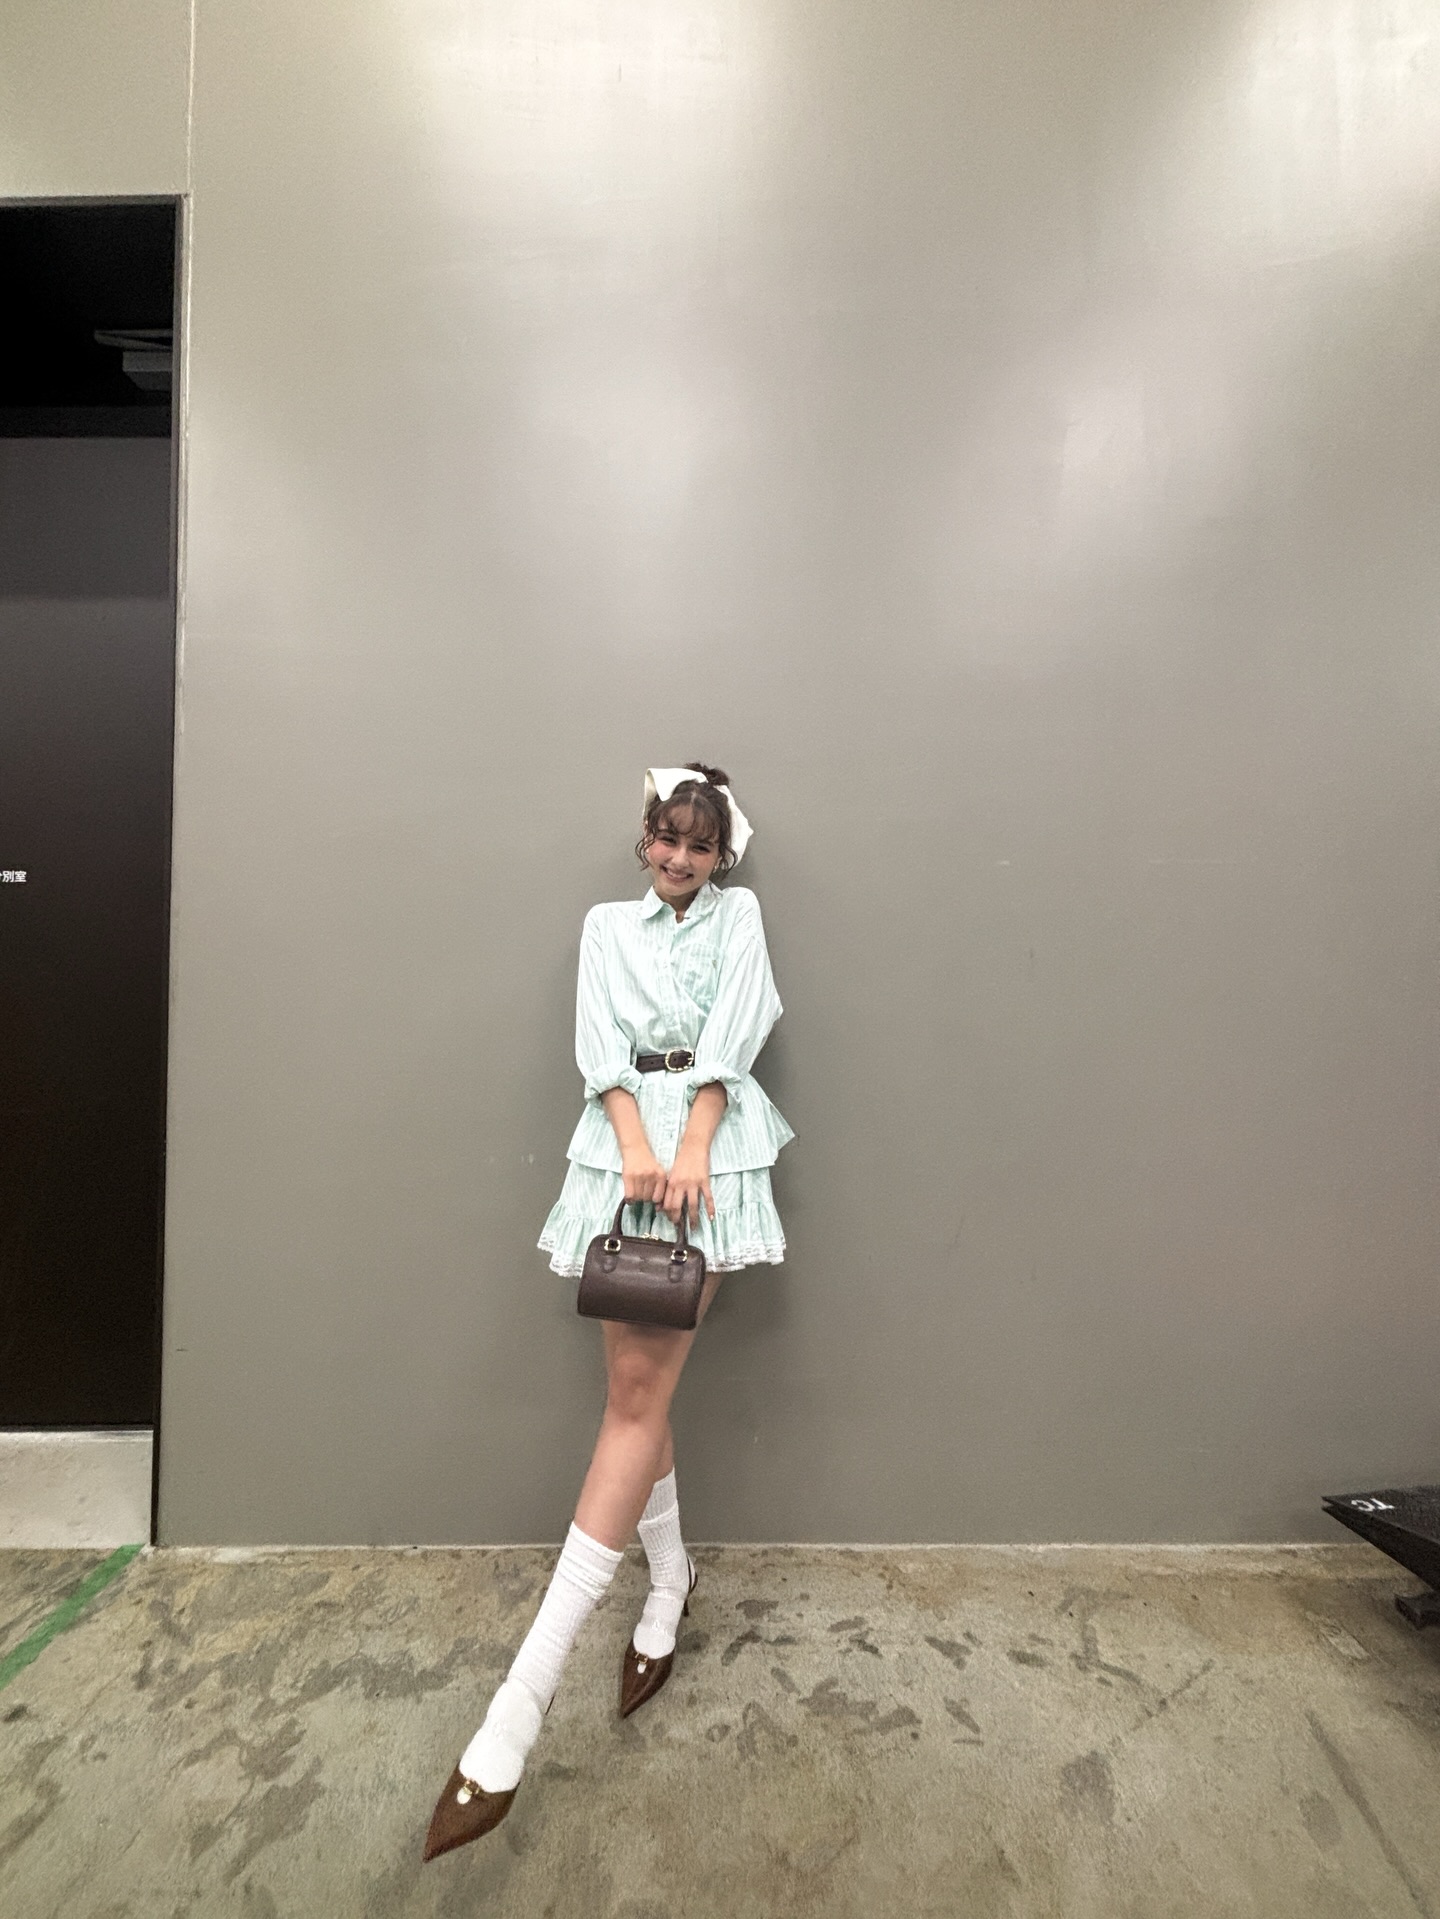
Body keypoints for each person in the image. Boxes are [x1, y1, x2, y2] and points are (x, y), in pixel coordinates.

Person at [425, 763, 793, 1861]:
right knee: (637, 1394)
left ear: (722, 855)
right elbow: (600, 1041)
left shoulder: (740, 918)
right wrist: (635, 1141)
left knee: (636, 1398)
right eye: (665, 837)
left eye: (699, 844)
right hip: (619, 1155)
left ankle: (519, 1700)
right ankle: (670, 1578)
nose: (679, 857)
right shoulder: (603, 926)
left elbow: (738, 1026)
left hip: (710, 1159)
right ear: (645, 837)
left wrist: (691, 1147)